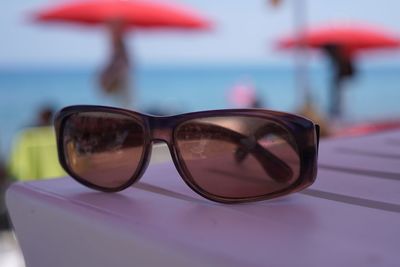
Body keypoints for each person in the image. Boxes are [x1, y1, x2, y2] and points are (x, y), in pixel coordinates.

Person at [8, 106, 65, 181]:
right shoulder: (61, 135)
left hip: (30, 184)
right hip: (60, 181)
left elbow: (14, 168)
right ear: (52, 118)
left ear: (39, 117)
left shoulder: (25, 136)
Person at [99, 20, 131, 107]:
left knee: (125, 106)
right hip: (119, 86)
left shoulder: (119, 51)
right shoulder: (118, 50)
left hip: (119, 84)